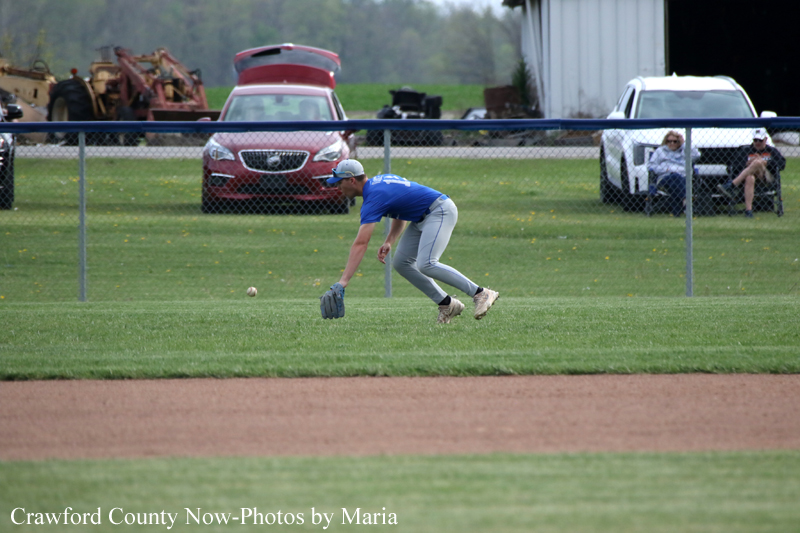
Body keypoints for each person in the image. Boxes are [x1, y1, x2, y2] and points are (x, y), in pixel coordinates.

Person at [323, 159, 499, 323]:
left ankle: (480, 293)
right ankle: (447, 304)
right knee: (402, 263)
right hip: (422, 216)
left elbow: (361, 243)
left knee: (427, 263)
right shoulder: (378, 183)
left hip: (439, 211)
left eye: (339, 182)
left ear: (352, 180)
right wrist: (390, 240)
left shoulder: (373, 198)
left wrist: (344, 281)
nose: (338, 187)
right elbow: (401, 211)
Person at [717, 128, 786, 218]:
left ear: (765, 139)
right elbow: (734, 166)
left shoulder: (771, 151)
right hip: (747, 179)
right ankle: (748, 211)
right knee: (750, 177)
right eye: (755, 140)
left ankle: (732, 185)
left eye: (760, 140)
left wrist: (765, 162)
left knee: (758, 162)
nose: (757, 142)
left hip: (766, 178)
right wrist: (747, 164)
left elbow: (782, 164)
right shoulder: (745, 151)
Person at [647, 130, 701, 217]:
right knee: (675, 176)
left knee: (675, 182)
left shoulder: (685, 151)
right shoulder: (660, 151)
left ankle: (677, 213)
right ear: (665, 141)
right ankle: (686, 201)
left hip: (683, 179)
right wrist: (666, 169)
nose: (672, 143)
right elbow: (651, 166)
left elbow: (697, 155)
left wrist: (684, 144)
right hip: (665, 178)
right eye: (669, 141)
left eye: (675, 141)